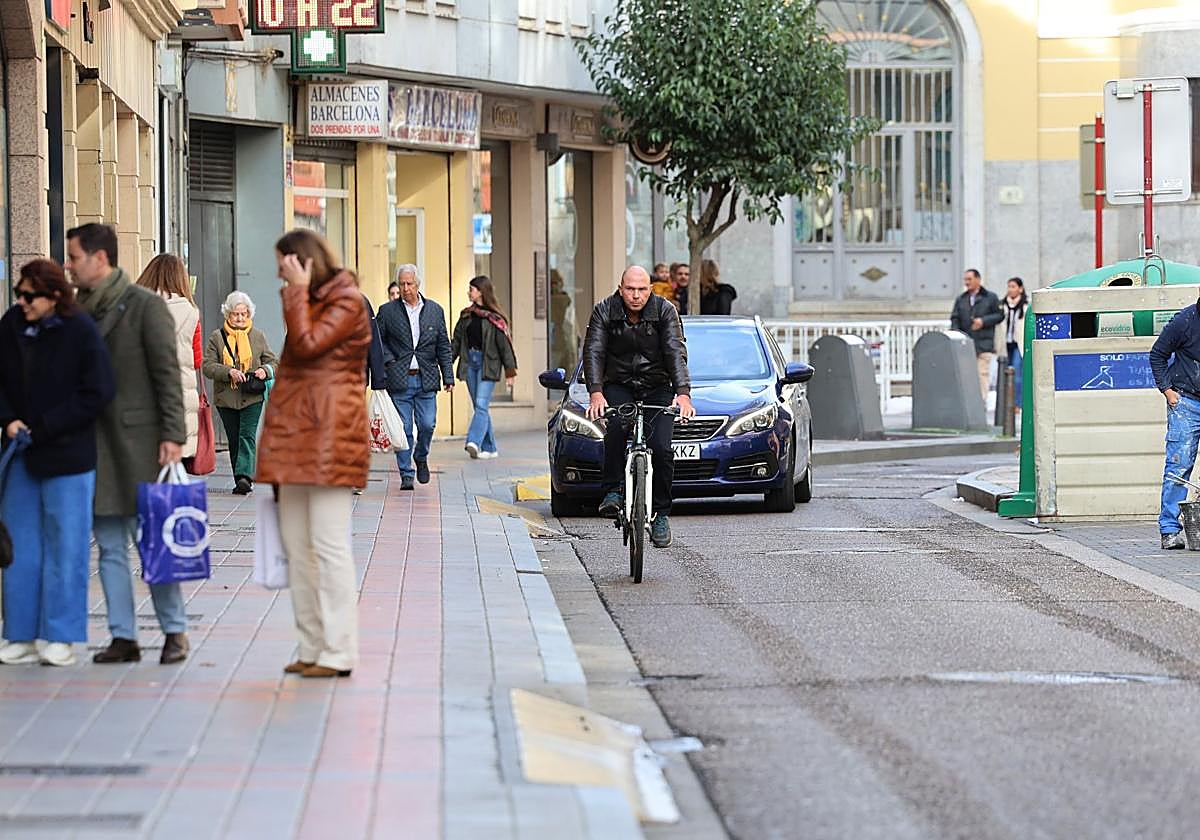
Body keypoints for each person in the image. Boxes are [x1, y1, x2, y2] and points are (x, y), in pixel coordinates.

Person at [66, 222, 189, 665]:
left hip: (143, 443)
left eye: (74, 257)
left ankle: (175, 631)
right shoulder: (76, 310)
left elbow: (167, 376)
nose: (68, 266)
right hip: (93, 444)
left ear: (100, 259)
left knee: (154, 540)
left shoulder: (144, 306)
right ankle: (124, 636)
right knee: (111, 544)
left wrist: (174, 436)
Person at [256, 229, 372, 678]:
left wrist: (297, 293)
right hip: (297, 440)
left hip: (329, 438)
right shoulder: (310, 301)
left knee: (328, 546)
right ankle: (311, 646)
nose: (279, 273)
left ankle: (339, 651)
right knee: (299, 549)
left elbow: (306, 345)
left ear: (303, 263)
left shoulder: (347, 302)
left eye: (284, 264)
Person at [0, 259, 115, 666]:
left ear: (54, 297)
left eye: (30, 296)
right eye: (19, 294)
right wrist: (8, 418)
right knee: (20, 548)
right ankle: (19, 635)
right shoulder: (12, 324)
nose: (22, 302)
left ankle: (61, 636)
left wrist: (47, 426)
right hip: (21, 454)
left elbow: (98, 390)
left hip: (67, 455)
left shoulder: (80, 330)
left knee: (66, 547)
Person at [583, 266, 694, 548]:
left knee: (662, 447)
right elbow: (593, 350)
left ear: (651, 289)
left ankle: (661, 515)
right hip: (618, 384)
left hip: (658, 385)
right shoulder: (604, 310)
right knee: (617, 430)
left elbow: (674, 351)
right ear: (620, 288)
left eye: (642, 289)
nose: (635, 295)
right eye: (630, 289)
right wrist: (596, 393)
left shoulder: (665, 311)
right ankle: (612, 492)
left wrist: (682, 394)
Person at [376, 264, 453, 491]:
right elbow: (378, 342)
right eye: (402, 284)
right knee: (404, 429)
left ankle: (421, 456)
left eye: (409, 284)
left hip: (426, 378)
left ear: (418, 284)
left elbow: (443, 346)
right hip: (399, 379)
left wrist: (448, 376)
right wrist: (390, 361)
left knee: (427, 425)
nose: (405, 288)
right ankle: (406, 473)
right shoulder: (387, 311)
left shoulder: (435, 311)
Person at [202, 291, 277, 495]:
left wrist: (265, 370)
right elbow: (207, 366)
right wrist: (229, 372)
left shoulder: (258, 336)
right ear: (228, 314)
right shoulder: (217, 337)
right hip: (226, 398)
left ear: (249, 314)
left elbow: (273, 362)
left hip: (252, 396)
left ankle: (245, 477)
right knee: (234, 438)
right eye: (236, 314)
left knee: (247, 435)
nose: (240, 318)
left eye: (244, 314)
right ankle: (240, 476)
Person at [136, 255, 200, 462]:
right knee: (172, 471)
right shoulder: (192, 312)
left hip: (141, 397)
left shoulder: (135, 305)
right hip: (179, 397)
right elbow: (197, 359)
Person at [1150, 298, 1200, 550]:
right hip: (1186, 402)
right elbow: (1157, 354)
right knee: (1179, 466)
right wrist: (1168, 392)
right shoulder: (1184, 321)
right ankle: (1169, 529)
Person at [452, 275, 517, 460]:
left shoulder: (494, 319)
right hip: (470, 363)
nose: (469, 292)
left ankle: (473, 441)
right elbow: (456, 342)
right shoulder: (466, 315)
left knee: (481, 404)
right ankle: (490, 447)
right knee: (480, 407)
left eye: (472, 289)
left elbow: (504, 346)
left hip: (488, 364)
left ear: (481, 292)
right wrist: (447, 363)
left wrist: (510, 371)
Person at [949, 268, 1004, 401]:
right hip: (965, 343)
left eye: (970, 279)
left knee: (981, 373)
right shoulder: (961, 299)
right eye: (965, 280)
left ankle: (981, 401)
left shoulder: (990, 297)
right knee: (966, 374)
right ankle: (968, 401)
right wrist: (956, 334)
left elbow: (1000, 315)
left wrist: (983, 321)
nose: (967, 283)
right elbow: (955, 318)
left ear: (978, 280)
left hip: (984, 342)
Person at [1001, 277, 1028, 410]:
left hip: (1019, 343)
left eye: (1013, 286)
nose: (1010, 289)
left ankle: (1017, 404)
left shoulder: (1025, 306)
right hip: (1006, 343)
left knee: (1017, 373)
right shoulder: (1003, 306)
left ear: (1020, 289)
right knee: (1005, 372)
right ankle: (1007, 402)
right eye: (1009, 286)